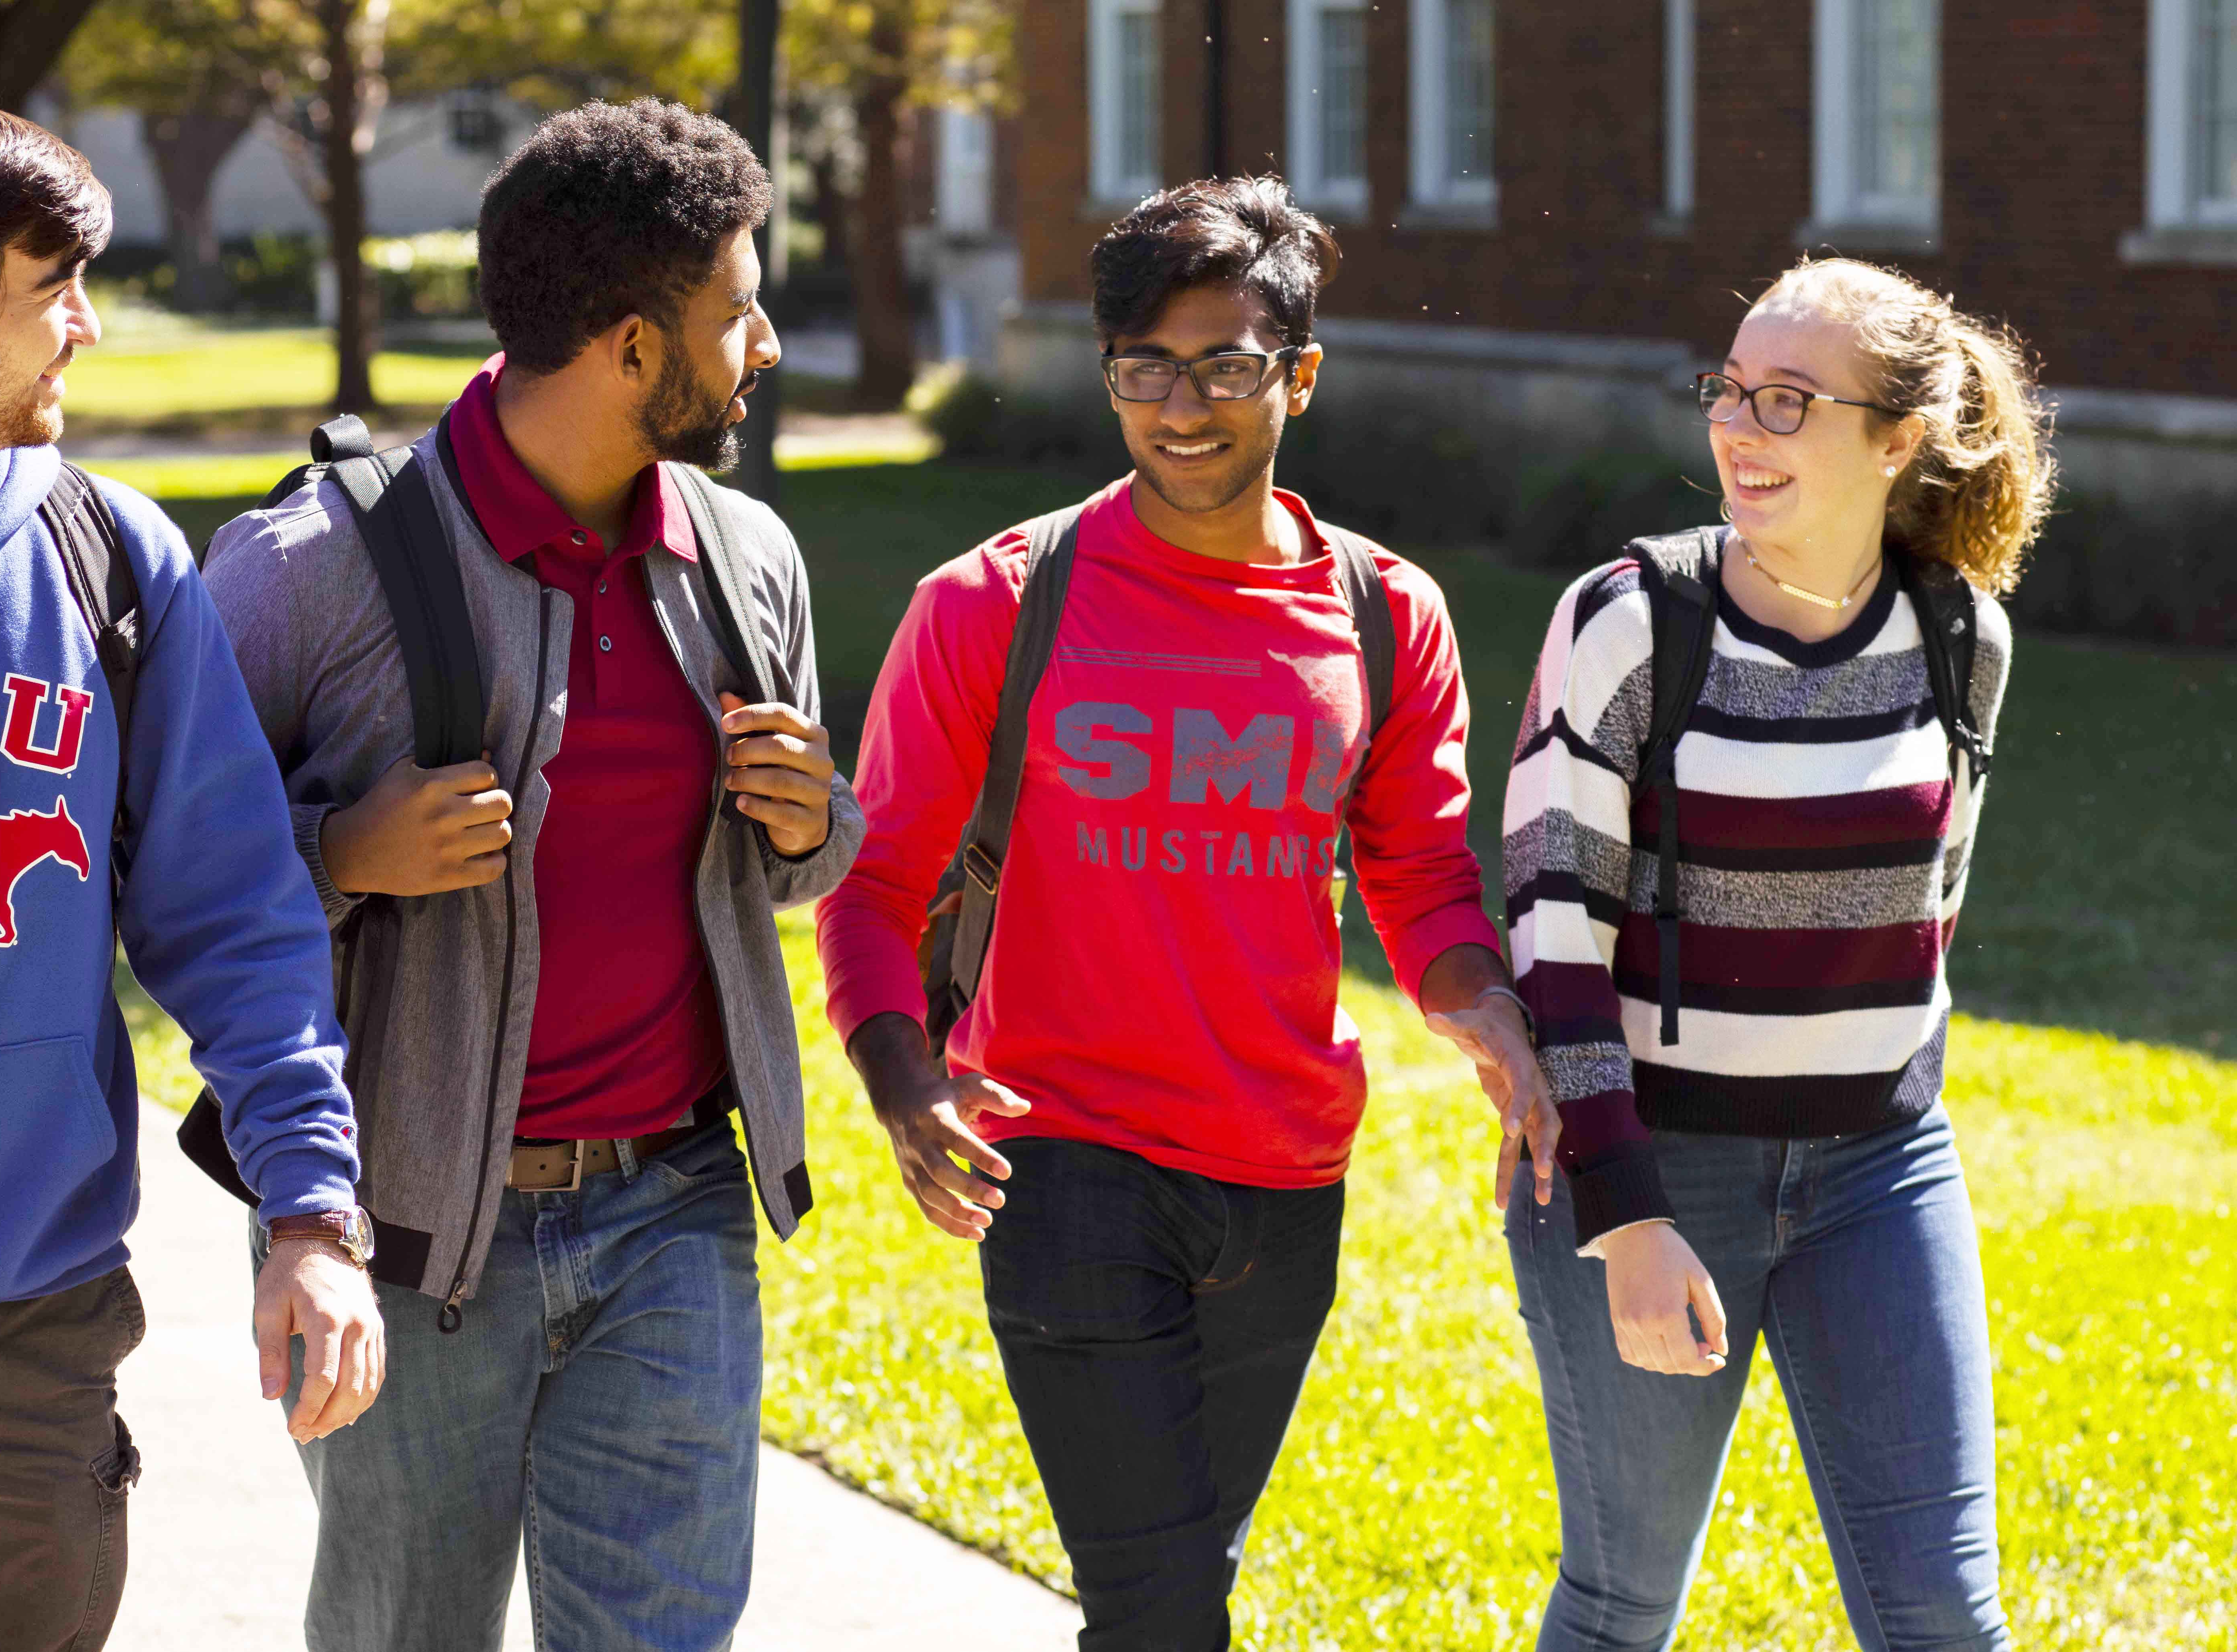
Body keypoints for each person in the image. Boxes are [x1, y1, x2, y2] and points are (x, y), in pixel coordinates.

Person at [814, 175, 1557, 1650]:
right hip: (1063, 1154)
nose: (1181, 406)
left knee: (1167, 1599)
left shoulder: (1382, 613)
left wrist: (1486, 1015)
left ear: (1301, 375)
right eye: (1143, 368)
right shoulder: (995, 602)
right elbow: (875, 881)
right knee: (1164, 1618)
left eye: (1223, 364)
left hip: (1286, 1166)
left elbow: (1417, 869)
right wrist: (905, 1086)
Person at [202, 98, 863, 1652]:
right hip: (414, 1228)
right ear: (633, 347)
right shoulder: (310, 571)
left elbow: (795, 872)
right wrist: (346, 853)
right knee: (404, 1633)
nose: (761, 342)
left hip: (677, 1209)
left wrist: (805, 822)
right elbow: (156, 883)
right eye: (736, 310)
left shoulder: (747, 557)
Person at [0, 81, 382, 1652]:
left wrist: (312, 1215)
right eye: (54, 293)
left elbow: (235, 912)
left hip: (35, 1327)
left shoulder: (108, 562)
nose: (86, 329)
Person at [1502, 256, 2051, 1651]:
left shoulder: (1959, 638)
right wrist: (1622, 1216)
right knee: (1623, 1605)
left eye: (1789, 401)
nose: (1739, 430)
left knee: (1946, 1614)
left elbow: (1933, 913)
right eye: (1731, 392)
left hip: (1882, 1169)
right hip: (1651, 1165)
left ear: (1897, 439)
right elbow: (1555, 934)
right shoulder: (1628, 621)